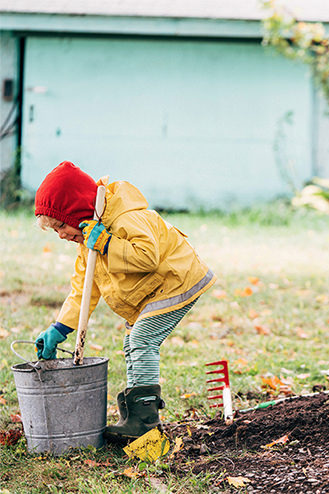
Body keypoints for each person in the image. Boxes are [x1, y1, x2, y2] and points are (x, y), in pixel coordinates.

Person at [33, 161, 216, 442]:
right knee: (132, 342)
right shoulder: (88, 241)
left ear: (78, 210)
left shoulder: (125, 217)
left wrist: (108, 244)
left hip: (177, 279)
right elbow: (83, 288)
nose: (60, 234)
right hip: (153, 291)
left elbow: (148, 256)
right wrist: (60, 327)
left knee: (143, 339)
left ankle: (145, 422)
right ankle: (134, 416)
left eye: (60, 225)